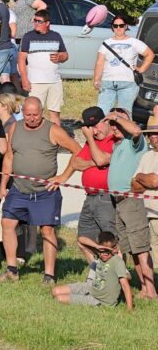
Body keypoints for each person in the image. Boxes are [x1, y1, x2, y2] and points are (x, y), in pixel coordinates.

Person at [0, 97, 81, 284]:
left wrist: (63, 177)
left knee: (47, 231)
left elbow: (78, 151)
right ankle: (11, 270)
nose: (32, 118)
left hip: (45, 192)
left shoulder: (53, 130)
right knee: (7, 223)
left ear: (42, 112)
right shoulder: (15, 128)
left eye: (36, 114)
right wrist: (3, 184)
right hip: (19, 188)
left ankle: (49, 275)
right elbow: (9, 157)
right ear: (22, 112)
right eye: (28, 115)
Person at [50, 106, 116, 264]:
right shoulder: (90, 142)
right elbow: (77, 162)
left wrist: (93, 150)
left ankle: (117, 275)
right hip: (90, 198)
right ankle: (98, 273)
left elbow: (101, 160)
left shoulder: (114, 139)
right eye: (90, 128)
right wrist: (94, 160)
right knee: (83, 239)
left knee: (110, 241)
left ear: (105, 121)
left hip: (106, 198)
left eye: (96, 125)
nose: (94, 131)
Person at [105, 108, 156, 298]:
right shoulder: (117, 145)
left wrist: (116, 117)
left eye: (119, 122)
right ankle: (144, 287)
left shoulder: (135, 141)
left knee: (141, 248)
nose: (115, 126)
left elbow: (135, 131)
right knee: (132, 249)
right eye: (112, 124)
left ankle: (151, 291)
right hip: (118, 202)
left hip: (131, 201)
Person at [51, 231, 133, 310]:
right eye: (100, 251)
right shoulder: (100, 254)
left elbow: (125, 285)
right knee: (55, 291)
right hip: (90, 288)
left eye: (106, 252)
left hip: (99, 300)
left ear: (114, 249)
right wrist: (97, 247)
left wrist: (130, 309)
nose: (103, 255)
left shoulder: (117, 262)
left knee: (59, 298)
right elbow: (80, 240)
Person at [18, 9, 68, 127]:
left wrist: (60, 57)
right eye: (34, 20)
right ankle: (34, 139)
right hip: (35, 82)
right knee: (34, 114)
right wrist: (24, 79)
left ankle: (55, 140)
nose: (35, 23)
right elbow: (21, 59)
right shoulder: (28, 36)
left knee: (55, 113)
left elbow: (65, 55)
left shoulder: (56, 36)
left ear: (47, 23)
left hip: (54, 81)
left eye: (39, 21)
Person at [94, 14, 154, 113]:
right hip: (108, 83)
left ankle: (124, 128)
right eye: (115, 26)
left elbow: (150, 54)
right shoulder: (106, 43)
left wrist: (141, 69)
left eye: (121, 25)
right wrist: (96, 79)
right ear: (112, 27)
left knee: (125, 114)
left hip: (128, 83)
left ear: (126, 26)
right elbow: (99, 62)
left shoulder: (134, 42)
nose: (118, 28)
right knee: (102, 113)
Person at [130, 112, 158, 261]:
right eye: (152, 134)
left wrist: (140, 177)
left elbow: (154, 181)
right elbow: (134, 186)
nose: (155, 137)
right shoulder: (147, 156)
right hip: (148, 214)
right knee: (153, 256)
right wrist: (143, 179)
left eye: (157, 134)